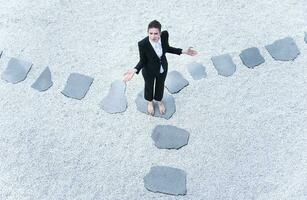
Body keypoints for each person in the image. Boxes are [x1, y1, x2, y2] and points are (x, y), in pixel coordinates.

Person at [123, 20, 197, 116]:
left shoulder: (164, 35)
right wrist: (135, 69)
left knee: (160, 85)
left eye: (156, 33)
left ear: (160, 33)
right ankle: (150, 102)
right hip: (149, 71)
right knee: (149, 87)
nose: (153, 36)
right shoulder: (142, 44)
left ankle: (159, 100)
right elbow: (143, 60)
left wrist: (184, 51)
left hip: (162, 68)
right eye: (151, 33)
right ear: (147, 32)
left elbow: (167, 48)